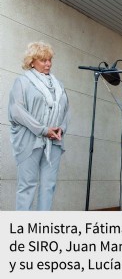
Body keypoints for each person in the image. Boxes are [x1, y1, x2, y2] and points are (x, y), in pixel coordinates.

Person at [8, 41, 69, 211]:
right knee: (27, 186)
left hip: (54, 142)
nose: (48, 64)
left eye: (50, 60)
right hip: (30, 142)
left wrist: (61, 128)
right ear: (32, 61)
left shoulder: (58, 85)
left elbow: (66, 110)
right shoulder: (22, 82)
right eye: (43, 60)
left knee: (48, 186)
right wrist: (43, 130)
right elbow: (17, 111)